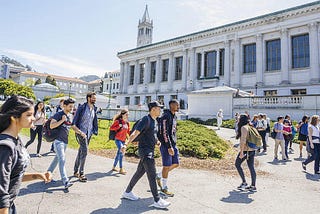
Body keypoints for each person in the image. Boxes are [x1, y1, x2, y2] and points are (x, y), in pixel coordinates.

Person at [0, 95, 51, 213]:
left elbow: (12, 175)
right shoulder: (5, 147)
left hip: (10, 207)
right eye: (28, 115)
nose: (33, 118)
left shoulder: (16, 139)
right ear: (14, 117)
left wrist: (37, 175)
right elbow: (1, 190)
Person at [121, 101, 171, 209]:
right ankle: (157, 200)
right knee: (152, 175)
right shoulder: (145, 119)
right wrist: (125, 144)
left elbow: (152, 134)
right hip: (145, 152)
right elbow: (135, 133)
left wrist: (157, 141)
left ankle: (127, 192)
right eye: (159, 108)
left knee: (139, 172)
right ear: (153, 109)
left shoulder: (155, 121)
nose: (160, 110)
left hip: (150, 150)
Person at [47, 98, 76, 190]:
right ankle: (65, 181)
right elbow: (51, 125)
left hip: (65, 141)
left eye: (73, 106)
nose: (72, 108)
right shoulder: (59, 114)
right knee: (62, 160)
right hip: (58, 141)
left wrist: (80, 132)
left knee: (57, 159)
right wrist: (62, 120)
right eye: (70, 106)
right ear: (64, 106)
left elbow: (72, 126)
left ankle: (48, 174)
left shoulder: (70, 115)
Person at [72, 92, 98, 182]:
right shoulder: (82, 108)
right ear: (88, 98)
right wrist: (78, 131)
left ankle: (75, 171)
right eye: (93, 98)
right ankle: (81, 173)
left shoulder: (94, 108)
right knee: (85, 151)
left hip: (89, 133)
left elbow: (94, 120)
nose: (95, 99)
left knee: (81, 151)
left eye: (95, 98)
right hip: (81, 132)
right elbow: (75, 121)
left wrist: (94, 130)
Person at [156, 99, 180, 197]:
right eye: (177, 105)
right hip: (166, 145)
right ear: (172, 105)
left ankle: (159, 176)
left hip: (173, 144)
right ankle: (164, 188)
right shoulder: (166, 116)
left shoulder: (174, 116)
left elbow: (173, 131)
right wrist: (169, 146)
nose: (178, 106)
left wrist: (173, 144)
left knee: (176, 163)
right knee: (166, 166)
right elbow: (164, 132)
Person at [235, 114, 257, 192]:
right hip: (252, 150)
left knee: (237, 164)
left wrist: (241, 152)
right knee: (251, 167)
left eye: (239, 118)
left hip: (245, 150)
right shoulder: (251, 126)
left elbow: (243, 140)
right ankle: (253, 186)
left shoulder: (243, 127)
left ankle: (244, 182)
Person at [110, 109, 130, 175]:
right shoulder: (118, 121)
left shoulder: (127, 123)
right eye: (126, 115)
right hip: (118, 139)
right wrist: (119, 126)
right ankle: (121, 169)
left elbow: (128, 132)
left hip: (123, 140)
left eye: (128, 115)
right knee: (121, 152)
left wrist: (131, 139)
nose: (127, 116)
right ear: (122, 115)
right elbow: (111, 128)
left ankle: (113, 167)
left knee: (118, 154)